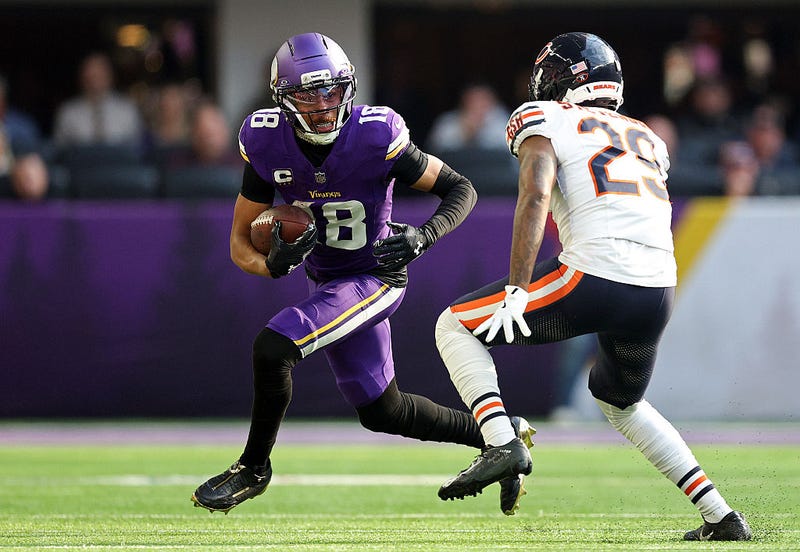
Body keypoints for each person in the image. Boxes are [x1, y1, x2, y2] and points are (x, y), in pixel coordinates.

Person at [190, 32, 534, 517]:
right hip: (327, 279)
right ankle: (502, 436)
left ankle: (253, 468)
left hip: (375, 275)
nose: (324, 105)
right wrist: (271, 265)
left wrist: (423, 237)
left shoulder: (375, 134)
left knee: (273, 349)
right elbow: (240, 243)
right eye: (309, 94)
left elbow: (461, 188)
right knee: (382, 411)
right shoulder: (265, 139)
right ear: (284, 100)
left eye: (332, 91)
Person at [434, 32, 752, 541]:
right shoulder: (648, 136)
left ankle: (500, 441)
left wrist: (518, 287)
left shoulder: (544, 116)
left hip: (594, 272)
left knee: (454, 326)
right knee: (620, 401)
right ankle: (721, 515)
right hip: (656, 288)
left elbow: (536, 195)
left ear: (559, 78)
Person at [52, 52, 143, 148]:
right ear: (81, 78)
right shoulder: (68, 112)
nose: (94, 81)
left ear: (110, 76)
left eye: (99, 75)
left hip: (121, 162)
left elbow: (137, 148)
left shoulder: (127, 109)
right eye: (90, 75)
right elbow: (59, 150)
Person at [426, 83, 510, 154]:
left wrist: (479, 130)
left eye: (483, 101)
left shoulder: (501, 119)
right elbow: (435, 151)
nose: (478, 106)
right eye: (474, 101)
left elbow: (509, 151)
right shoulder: (447, 122)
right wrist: (465, 133)